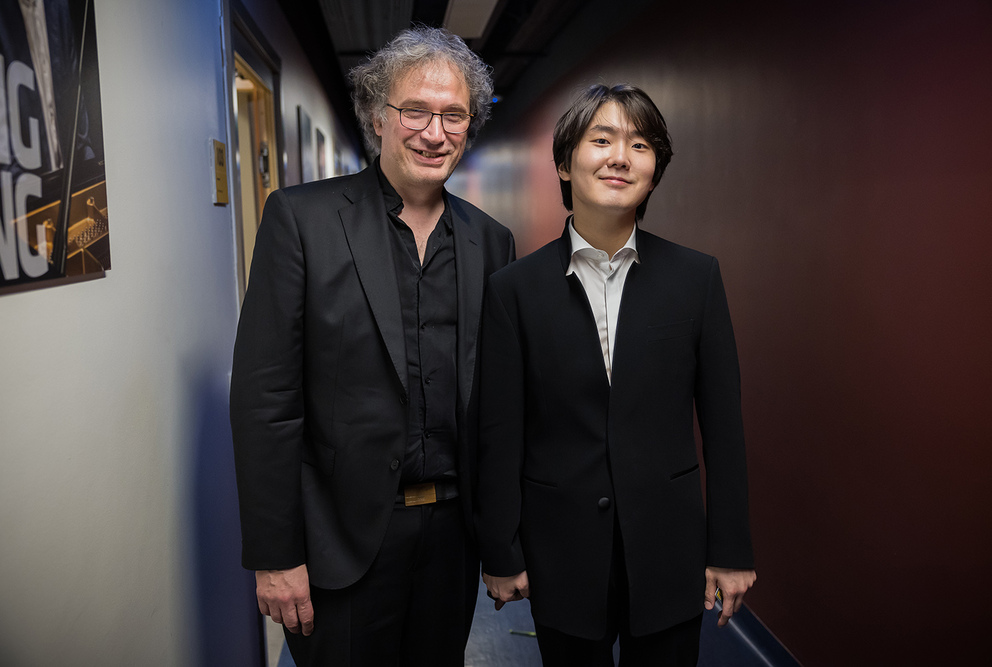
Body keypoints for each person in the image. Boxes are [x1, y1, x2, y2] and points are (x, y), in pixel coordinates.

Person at [230, 26, 514, 666]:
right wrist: (276, 555)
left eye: (454, 116)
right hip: (339, 538)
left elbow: (497, 408)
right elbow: (265, 400)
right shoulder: (300, 220)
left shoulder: (490, 242)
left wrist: (501, 540)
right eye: (415, 111)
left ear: (470, 128)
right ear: (378, 118)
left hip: (450, 540)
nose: (434, 132)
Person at [475, 83, 756, 666]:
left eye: (641, 145)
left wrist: (729, 550)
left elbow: (724, 427)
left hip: (668, 548)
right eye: (600, 139)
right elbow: (500, 432)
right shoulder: (514, 291)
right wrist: (501, 552)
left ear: (655, 171)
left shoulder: (695, 279)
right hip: (561, 551)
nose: (621, 157)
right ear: (563, 163)